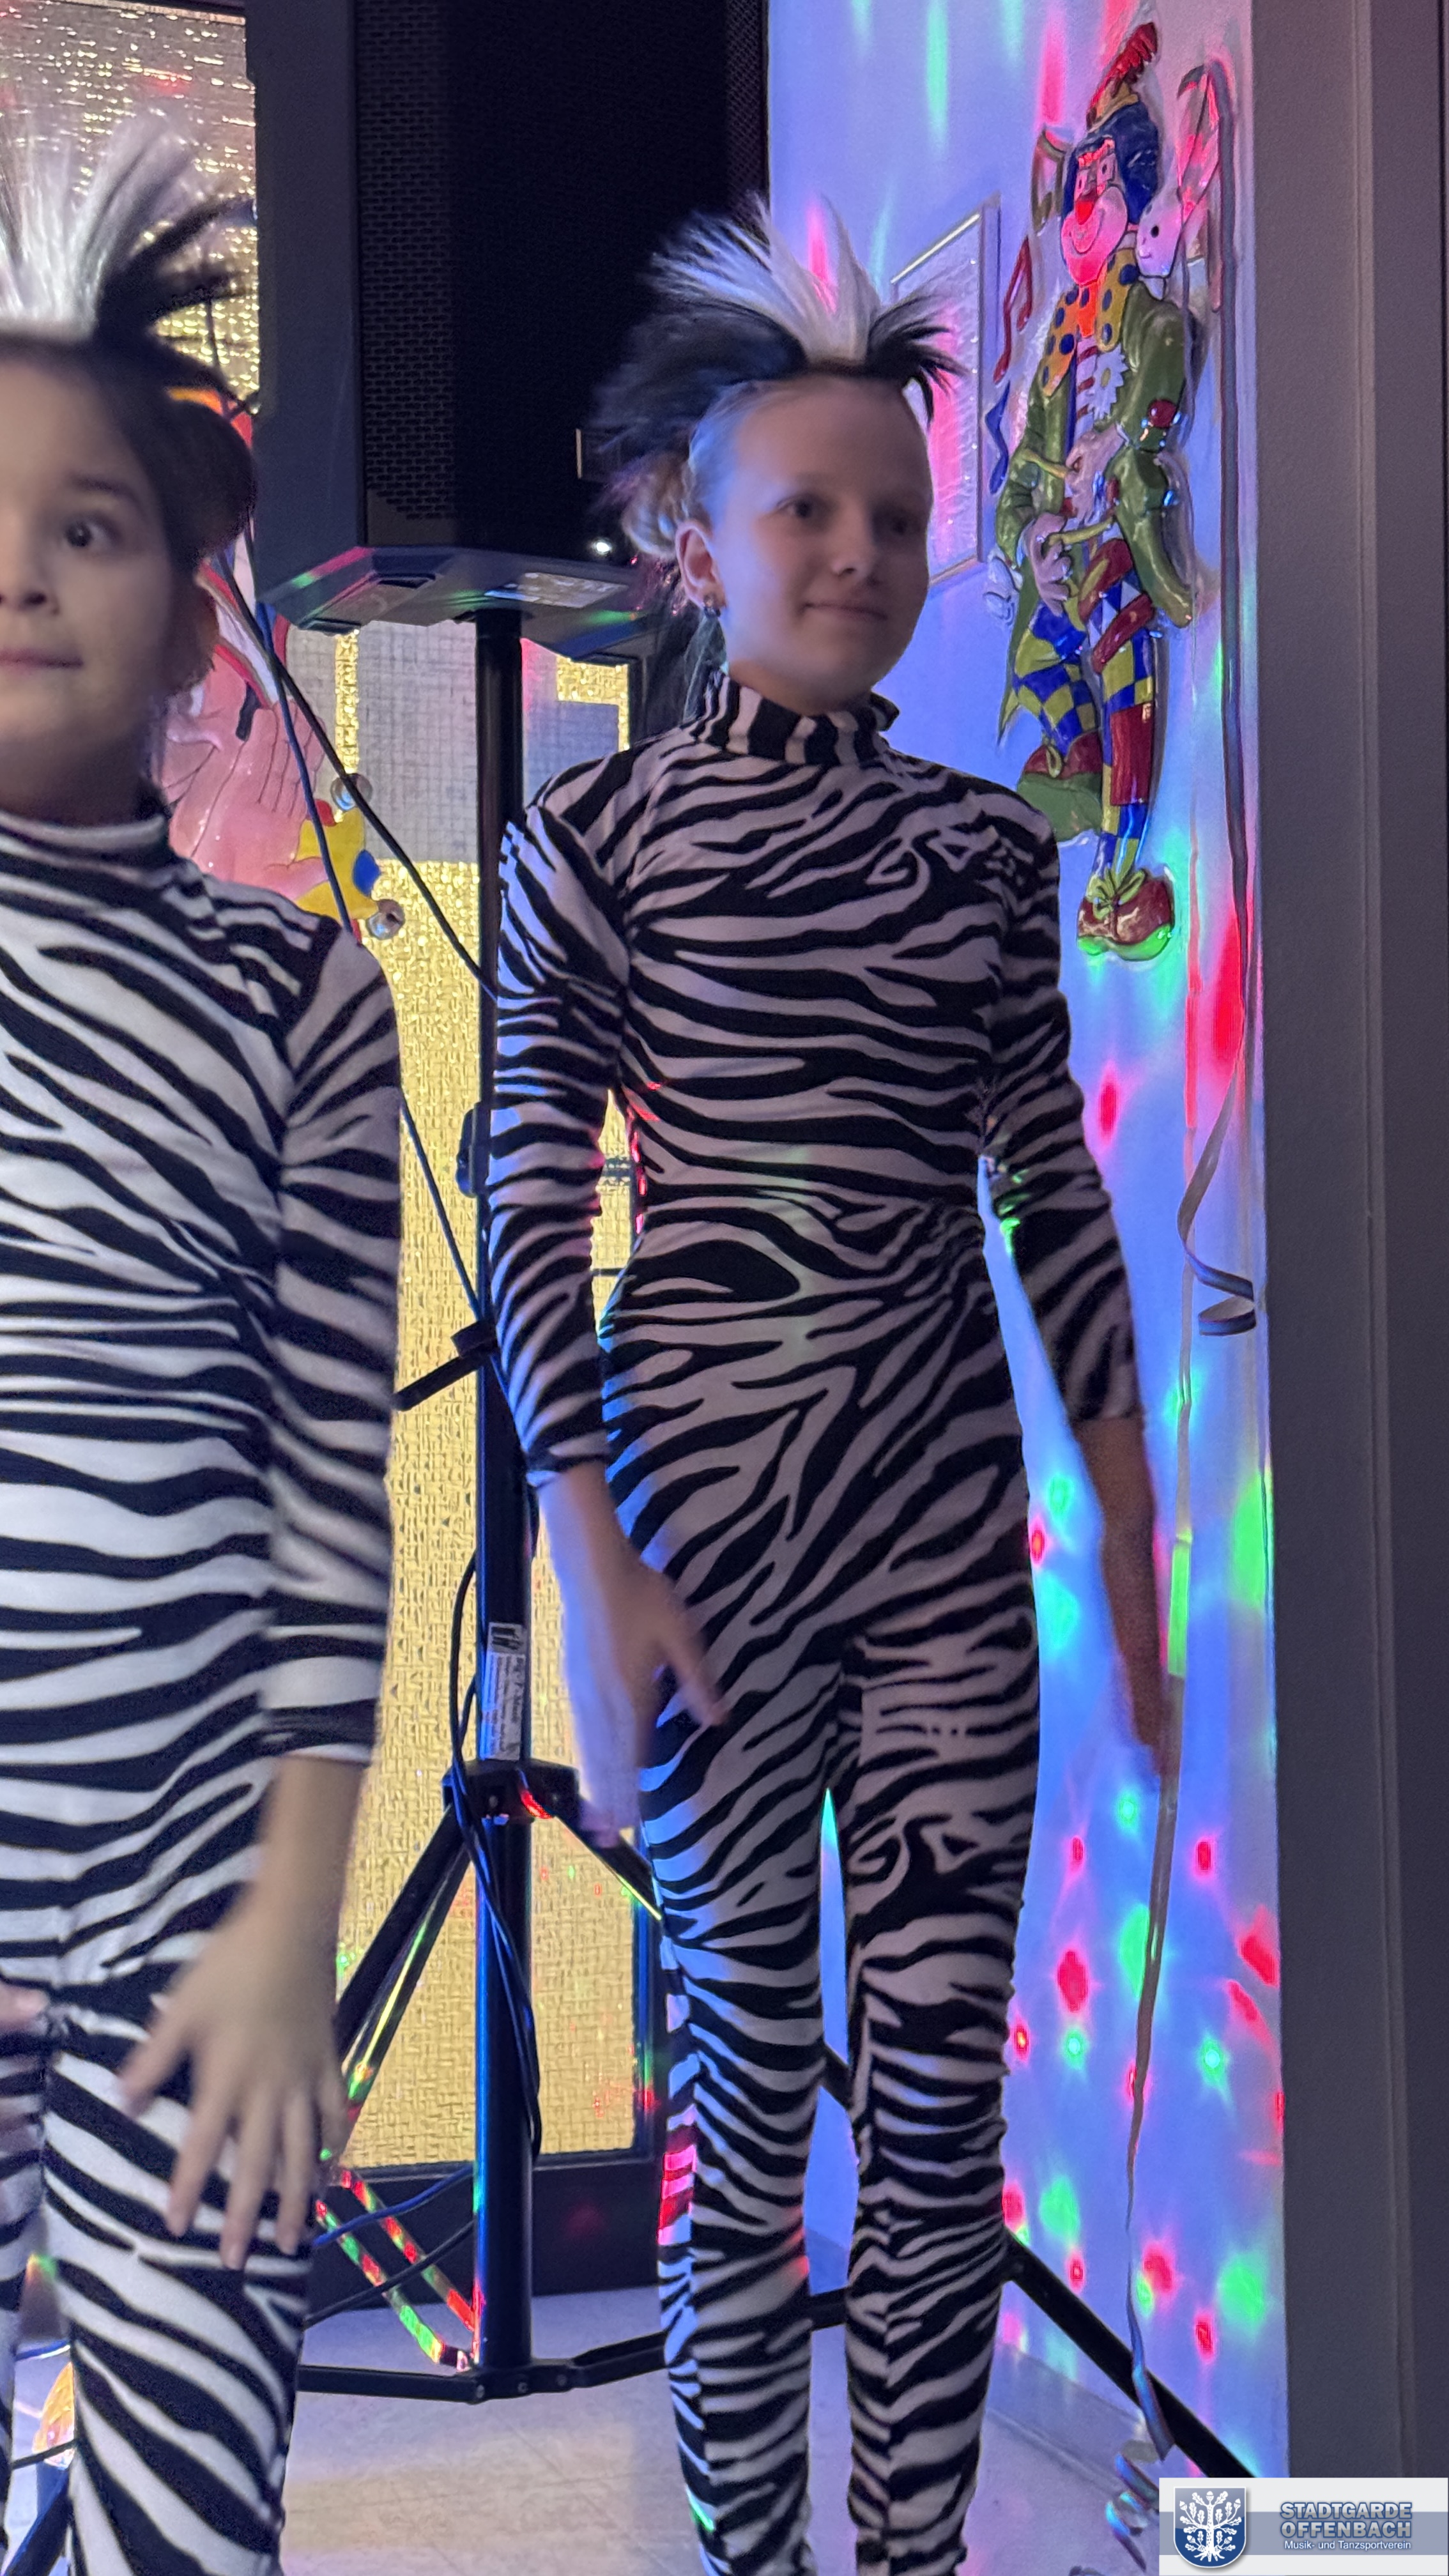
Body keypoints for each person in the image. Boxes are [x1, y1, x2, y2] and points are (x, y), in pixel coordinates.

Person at [489, 205, 1165, 2576]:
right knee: (744, 2090)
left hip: (943, 1535)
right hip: (701, 1534)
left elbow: (1045, 1194)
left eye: (894, 514)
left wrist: (1134, 1534)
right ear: (690, 539)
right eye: (809, 510)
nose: (861, 554)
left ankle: (909, 2553)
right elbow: (527, 1187)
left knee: (944, 2108)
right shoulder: (591, 841)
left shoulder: (985, 853)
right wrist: (586, 1562)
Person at [0, 123, 399, 2570]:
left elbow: (330, 1496)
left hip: (190, 1882)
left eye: (88, 525)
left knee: (191, 2515)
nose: (23, 571)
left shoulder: (302, 994)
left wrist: (287, 1927)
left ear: (190, 612)